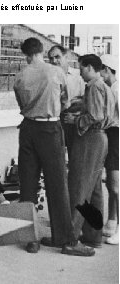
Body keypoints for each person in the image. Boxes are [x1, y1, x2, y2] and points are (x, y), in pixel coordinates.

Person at [14, 37, 94, 256]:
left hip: (28, 130)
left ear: (26, 55)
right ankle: (66, 239)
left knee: (28, 185)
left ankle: (31, 239)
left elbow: (21, 105)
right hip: (49, 129)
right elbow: (65, 102)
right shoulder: (55, 72)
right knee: (57, 185)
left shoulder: (20, 76)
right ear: (41, 52)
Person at [64, 54, 116, 249]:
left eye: (82, 68)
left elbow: (96, 115)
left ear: (90, 68)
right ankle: (93, 236)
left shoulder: (94, 86)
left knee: (79, 188)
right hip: (101, 138)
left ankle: (70, 239)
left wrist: (75, 120)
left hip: (91, 139)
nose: (80, 72)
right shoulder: (105, 86)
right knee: (94, 191)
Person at [48, 45, 86, 157]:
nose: (54, 61)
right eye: (51, 58)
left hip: (74, 121)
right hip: (55, 121)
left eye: (57, 57)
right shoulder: (48, 77)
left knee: (75, 157)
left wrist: (74, 107)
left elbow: (86, 99)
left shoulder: (78, 77)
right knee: (55, 157)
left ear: (66, 57)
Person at [99, 54, 119, 245]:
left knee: (115, 186)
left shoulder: (117, 90)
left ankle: (118, 226)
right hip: (111, 136)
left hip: (116, 137)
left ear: (107, 70)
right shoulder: (110, 88)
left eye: (101, 71)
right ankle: (112, 221)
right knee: (111, 186)